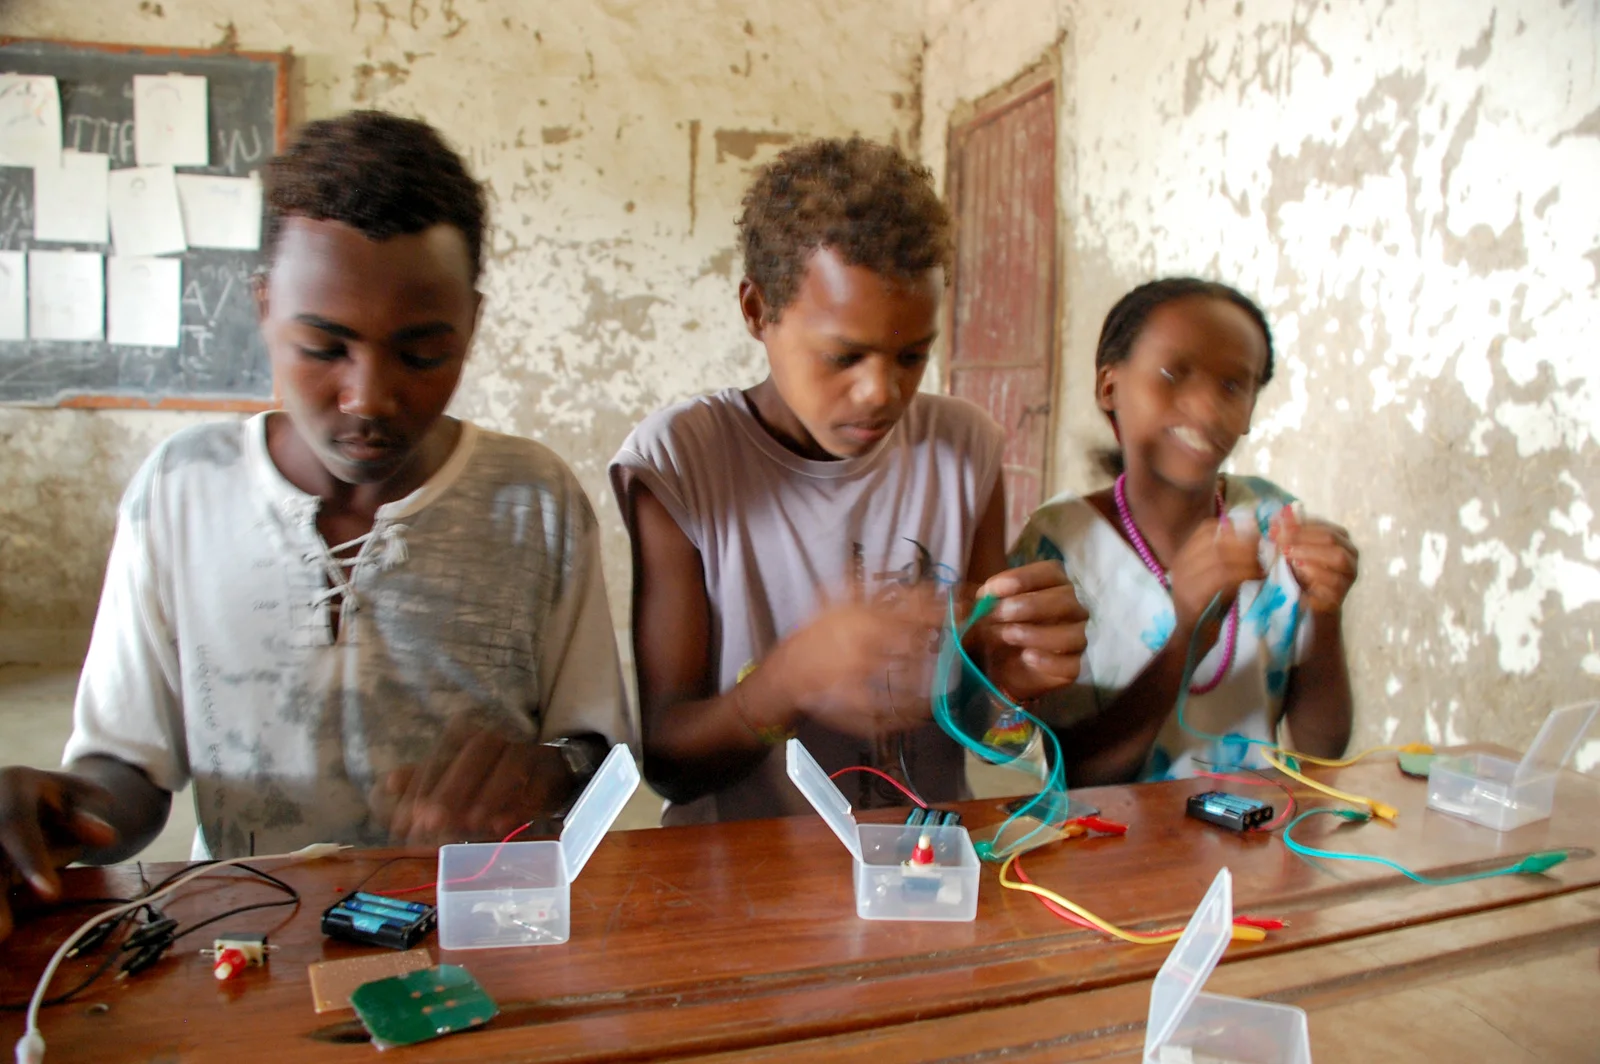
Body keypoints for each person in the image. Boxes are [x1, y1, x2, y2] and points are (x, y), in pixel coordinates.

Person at [0, 111, 634, 940]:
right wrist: (61, 812)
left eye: (421, 352)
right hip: (245, 935)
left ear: (471, 326)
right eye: (323, 346)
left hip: (478, 927)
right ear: (265, 308)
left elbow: (597, 755)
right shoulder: (183, 493)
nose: (368, 396)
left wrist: (546, 778)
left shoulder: (533, 500)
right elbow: (131, 772)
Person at [610, 137, 1088, 824]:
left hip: (923, 871)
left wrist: (1014, 686)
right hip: (742, 888)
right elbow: (670, 765)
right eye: (843, 356)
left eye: (912, 354)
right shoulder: (684, 461)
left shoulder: (961, 449)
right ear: (756, 311)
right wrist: (790, 679)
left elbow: (987, 724)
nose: (880, 392)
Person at [1011, 278, 1357, 786]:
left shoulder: (1273, 522)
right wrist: (1187, 637)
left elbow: (1321, 746)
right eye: (1174, 373)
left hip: (1256, 845)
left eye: (1233, 385)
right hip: (1110, 856)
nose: (1205, 407)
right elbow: (1081, 776)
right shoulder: (1059, 546)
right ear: (1109, 386)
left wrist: (1325, 612)